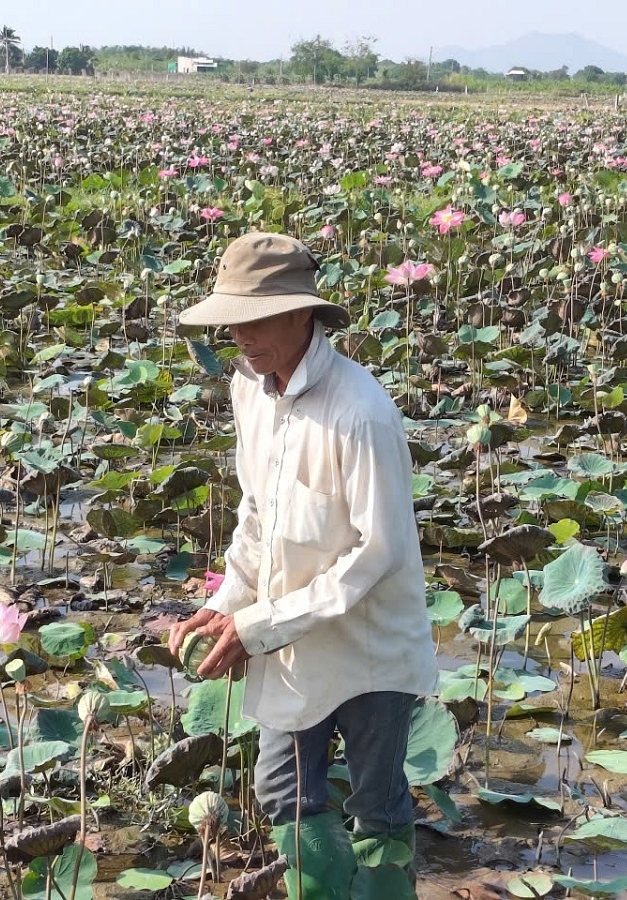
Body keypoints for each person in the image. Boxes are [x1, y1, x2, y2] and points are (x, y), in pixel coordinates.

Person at [168, 231, 440, 900]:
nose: (236, 334)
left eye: (253, 319)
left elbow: (377, 554)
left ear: (301, 314)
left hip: (370, 645)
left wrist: (260, 627)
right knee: (283, 793)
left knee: (377, 805)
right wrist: (231, 600)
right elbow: (258, 514)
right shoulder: (251, 391)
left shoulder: (361, 412)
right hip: (289, 637)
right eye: (231, 320)